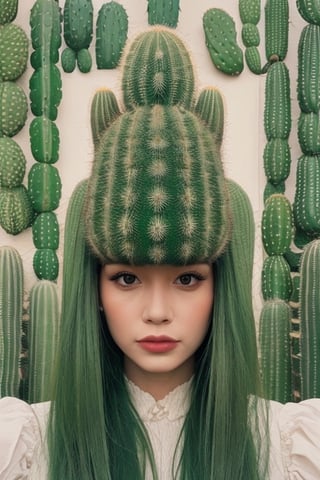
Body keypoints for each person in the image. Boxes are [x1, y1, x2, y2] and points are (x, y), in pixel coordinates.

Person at [1, 27, 320, 480]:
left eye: (187, 278)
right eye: (126, 279)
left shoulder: (287, 446)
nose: (156, 312)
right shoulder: (27, 444)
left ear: (218, 285)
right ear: (95, 285)